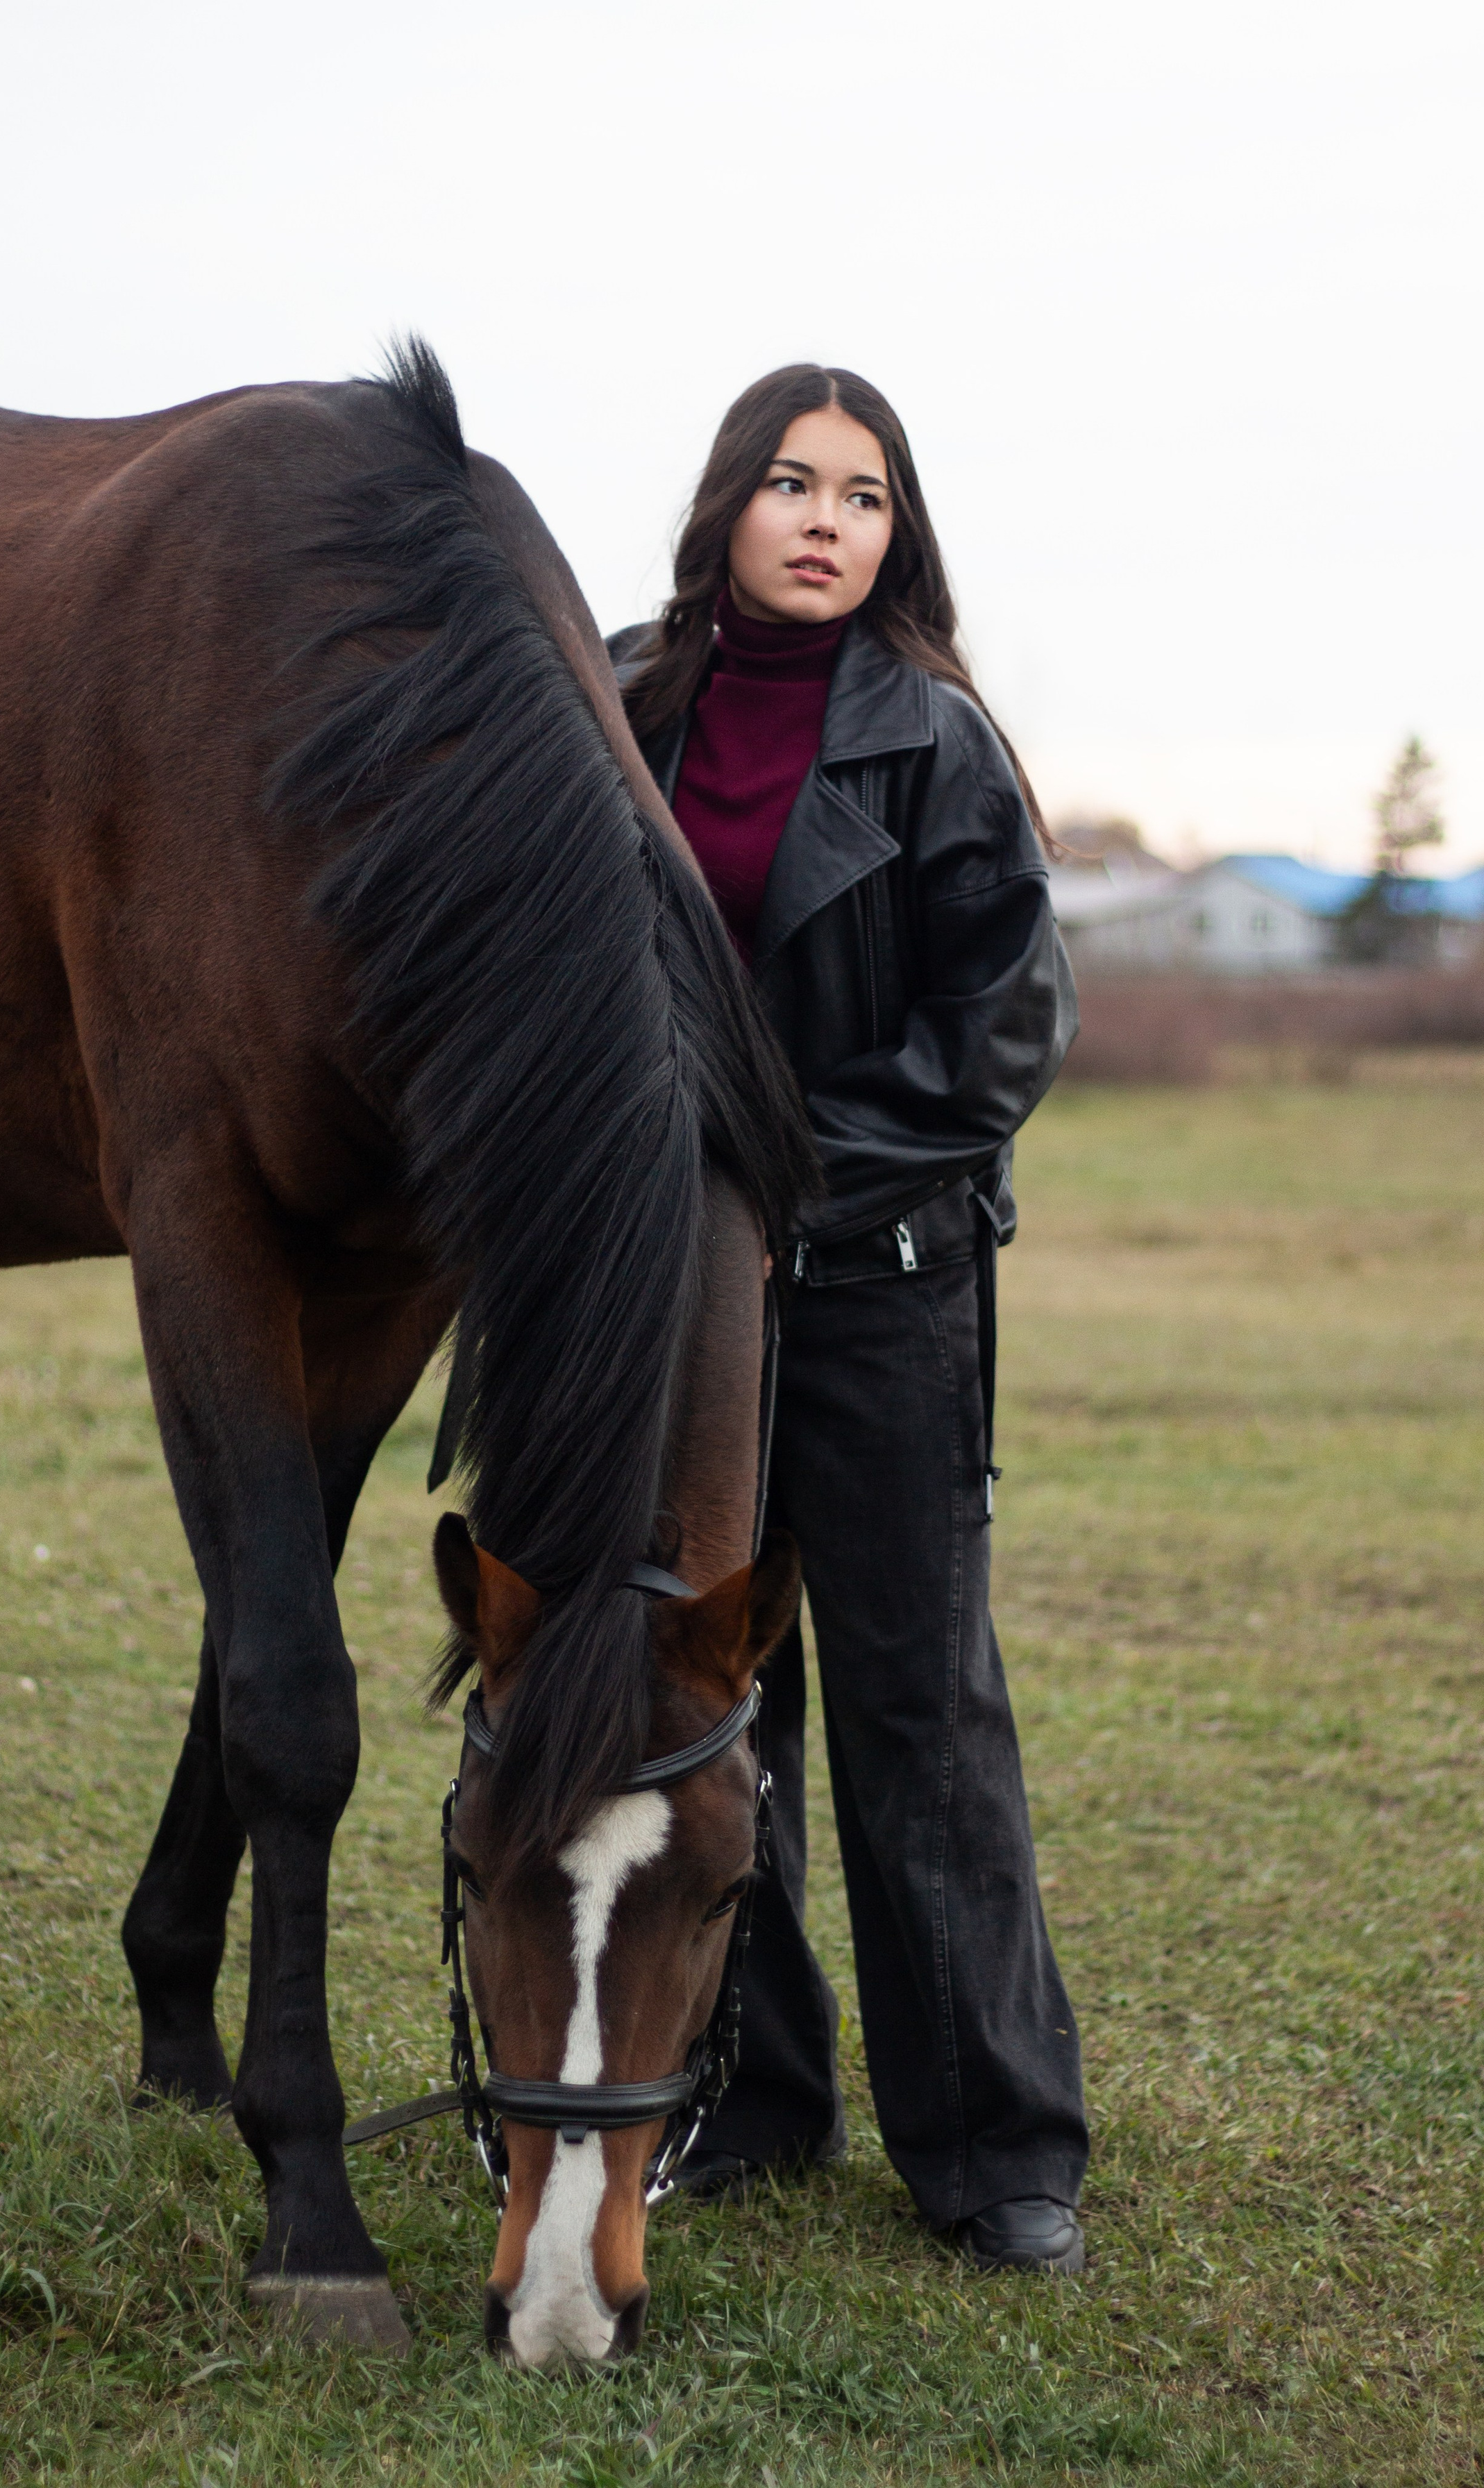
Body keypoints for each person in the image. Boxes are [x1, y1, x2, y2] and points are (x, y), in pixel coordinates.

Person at [609, 366, 1087, 2274]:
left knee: (916, 1712)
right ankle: (755, 2097)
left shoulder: (937, 736)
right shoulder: (624, 700)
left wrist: (769, 1166)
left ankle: (995, 2150)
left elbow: (1003, 1039)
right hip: (662, 1297)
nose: (827, 521)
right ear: (728, 501)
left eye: (865, 495)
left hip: (885, 1291)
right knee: (707, 1697)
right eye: (793, 484)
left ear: (900, 529)